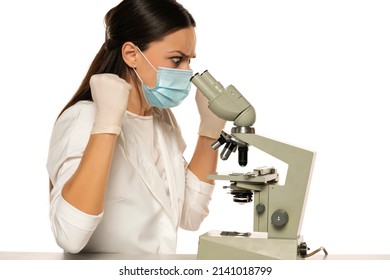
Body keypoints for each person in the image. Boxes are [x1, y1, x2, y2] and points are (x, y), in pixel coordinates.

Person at [46, 0, 226, 254]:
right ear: (132, 54)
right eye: (177, 60)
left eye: (189, 61)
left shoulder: (162, 120)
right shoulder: (83, 118)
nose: (188, 72)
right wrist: (106, 126)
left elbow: (190, 215)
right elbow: (70, 235)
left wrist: (210, 130)